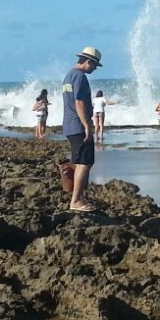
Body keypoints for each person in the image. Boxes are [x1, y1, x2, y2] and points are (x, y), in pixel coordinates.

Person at [61, 46, 102, 212]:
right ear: (88, 62)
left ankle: (79, 196)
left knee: (80, 161)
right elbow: (79, 102)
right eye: (94, 66)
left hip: (69, 124)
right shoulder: (80, 77)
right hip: (78, 125)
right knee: (86, 162)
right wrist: (87, 125)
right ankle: (76, 200)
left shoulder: (68, 76)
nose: (94, 69)